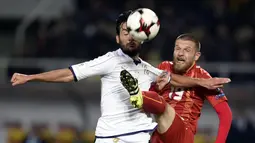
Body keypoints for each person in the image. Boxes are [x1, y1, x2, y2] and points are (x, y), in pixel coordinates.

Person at [11, 10, 230, 143]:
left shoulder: (148, 68)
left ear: (142, 36)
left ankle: (139, 96)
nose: (130, 37)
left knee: (160, 101)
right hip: (111, 136)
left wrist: (202, 82)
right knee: (160, 102)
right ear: (117, 39)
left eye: (133, 32)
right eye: (125, 33)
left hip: (142, 135)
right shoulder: (110, 60)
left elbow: (174, 79)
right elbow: (70, 73)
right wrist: (31, 77)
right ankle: (139, 96)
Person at [120, 34, 232, 143]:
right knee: (156, 104)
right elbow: (151, 102)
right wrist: (156, 88)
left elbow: (226, 113)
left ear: (196, 56)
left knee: (163, 106)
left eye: (187, 50)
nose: (180, 54)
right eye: (177, 49)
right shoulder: (164, 67)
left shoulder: (204, 78)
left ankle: (138, 94)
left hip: (183, 133)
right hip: (160, 132)